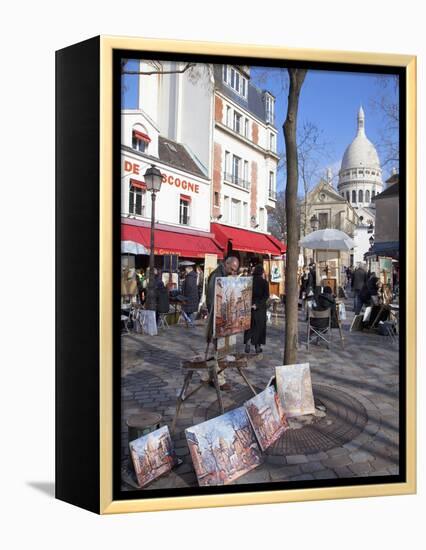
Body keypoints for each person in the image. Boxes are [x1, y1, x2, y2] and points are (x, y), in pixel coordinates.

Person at [206, 256, 240, 391]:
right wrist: (216, 319)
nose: (233, 272)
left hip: (225, 319)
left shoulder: (226, 275)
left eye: (235, 270)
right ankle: (219, 380)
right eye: (231, 269)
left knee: (222, 349)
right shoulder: (216, 276)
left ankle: (213, 377)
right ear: (225, 264)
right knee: (219, 350)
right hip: (217, 319)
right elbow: (211, 300)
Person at [244, 264, 270, 354]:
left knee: (249, 325)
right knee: (258, 327)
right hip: (260, 308)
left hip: (249, 305)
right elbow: (266, 296)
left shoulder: (249, 281)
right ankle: (257, 347)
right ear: (262, 272)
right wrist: (257, 304)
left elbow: (244, 293)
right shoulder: (264, 282)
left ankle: (247, 342)